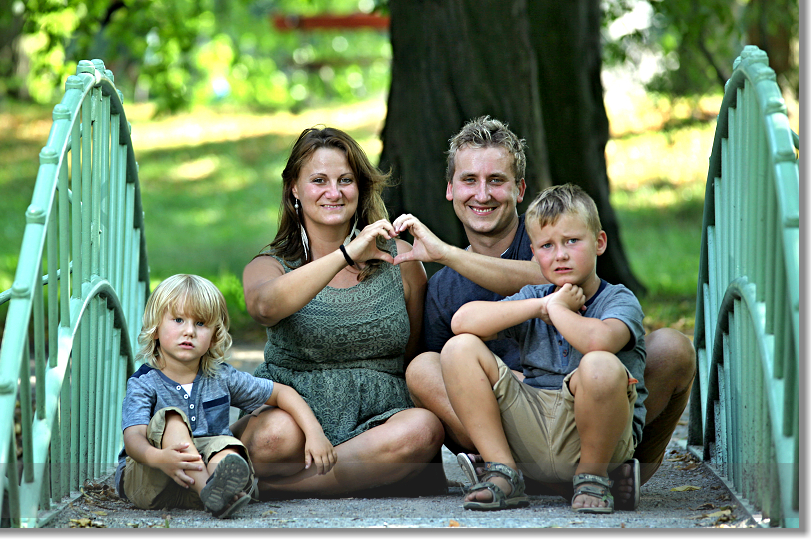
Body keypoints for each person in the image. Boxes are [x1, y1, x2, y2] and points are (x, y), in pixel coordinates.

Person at [392, 116, 696, 509]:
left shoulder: (549, 238)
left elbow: (550, 281)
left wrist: (445, 252)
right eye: (469, 180)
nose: (482, 194)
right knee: (426, 368)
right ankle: (512, 470)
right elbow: (459, 344)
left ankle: (619, 471)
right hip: (521, 420)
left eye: (496, 180)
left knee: (670, 347)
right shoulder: (446, 288)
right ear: (450, 189)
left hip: (593, 406)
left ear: (519, 189)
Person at [231, 126, 443, 498]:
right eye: (319, 180)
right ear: (294, 189)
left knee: (423, 430)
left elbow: (411, 352)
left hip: (381, 418)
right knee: (270, 441)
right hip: (294, 414)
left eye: (345, 180)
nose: (334, 192)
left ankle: (279, 489)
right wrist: (345, 255)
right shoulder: (271, 265)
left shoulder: (401, 261)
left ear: (359, 188)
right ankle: (363, 475)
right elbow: (264, 307)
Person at [441, 183, 646, 513]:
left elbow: (599, 342)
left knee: (600, 366)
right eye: (547, 246)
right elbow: (463, 321)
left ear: (600, 242)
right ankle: (503, 473)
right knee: (458, 349)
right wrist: (541, 305)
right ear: (534, 254)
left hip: (595, 442)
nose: (560, 254)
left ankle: (593, 479)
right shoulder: (537, 297)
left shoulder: (618, 299)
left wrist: (559, 311)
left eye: (572, 241)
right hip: (532, 428)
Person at [115, 274, 335, 519]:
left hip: (198, 487)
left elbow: (282, 393)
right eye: (178, 320)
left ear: (213, 336)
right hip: (153, 479)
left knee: (226, 447)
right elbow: (133, 437)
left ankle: (219, 493)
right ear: (155, 329)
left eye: (200, 324)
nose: (189, 331)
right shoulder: (145, 382)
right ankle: (214, 492)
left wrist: (315, 432)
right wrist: (159, 458)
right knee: (171, 419)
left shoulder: (220, 376)